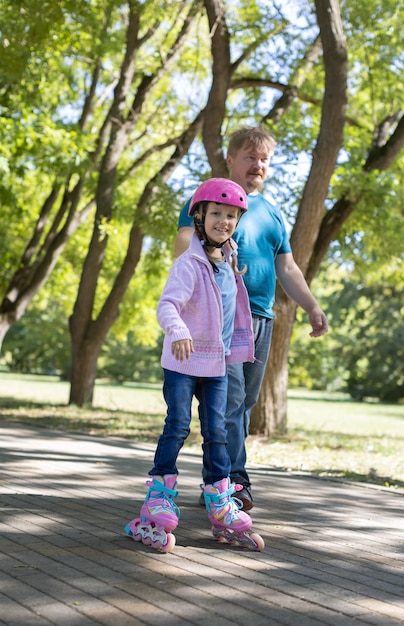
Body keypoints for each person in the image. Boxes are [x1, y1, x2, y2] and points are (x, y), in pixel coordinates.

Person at [175, 126, 328, 511]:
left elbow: (288, 267)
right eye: (250, 157)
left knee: (244, 405)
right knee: (230, 399)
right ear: (231, 160)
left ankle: (217, 477)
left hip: (261, 318)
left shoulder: (272, 213)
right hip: (220, 318)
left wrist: (311, 305)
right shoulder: (207, 199)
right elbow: (183, 249)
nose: (258, 165)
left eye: (264, 159)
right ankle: (233, 482)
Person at [125, 178, 264, 553]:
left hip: (216, 363)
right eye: (217, 213)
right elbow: (167, 305)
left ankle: (219, 500)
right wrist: (178, 330)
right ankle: (159, 495)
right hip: (184, 360)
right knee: (178, 425)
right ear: (200, 217)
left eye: (232, 216)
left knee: (217, 431)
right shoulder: (188, 264)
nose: (224, 221)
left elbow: (230, 313)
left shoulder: (230, 263)